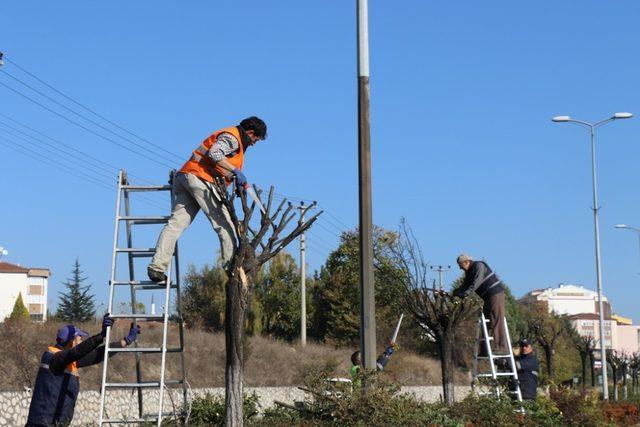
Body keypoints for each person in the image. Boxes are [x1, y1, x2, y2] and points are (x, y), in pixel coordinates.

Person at [147, 116, 268, 283]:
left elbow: (218, 164)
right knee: (226, 225)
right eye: (256, 139)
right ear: (250, 132)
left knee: (175, 225)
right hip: (201, 180)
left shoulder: (233, 138)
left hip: (186, 177)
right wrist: (235, 171)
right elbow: (214, 153)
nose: (255, 143)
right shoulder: (233, 138)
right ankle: (231, 269)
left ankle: (156, 268)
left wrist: (233, 178)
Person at [26, 315, 141, 427]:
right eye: (80, 338)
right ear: (71, 341)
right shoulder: (54, 358)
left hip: (54, 423)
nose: (82, 341)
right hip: (42, 423)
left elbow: (98, 354)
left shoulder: (68, 361)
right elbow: (76, 352)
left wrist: (126, 340)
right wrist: (100, 336)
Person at [453, 254, 507, 353]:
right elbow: (465, 285)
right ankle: (485, 350)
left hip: (495, 294)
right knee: (487, 322)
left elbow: (477, 282)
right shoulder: (469, 273)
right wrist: (455, 293)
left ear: (466, 262)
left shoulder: (479, 266)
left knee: (496, 319)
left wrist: (466, 293)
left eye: (460, 265)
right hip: (487, 298)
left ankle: (501, 347)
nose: (460, 268)